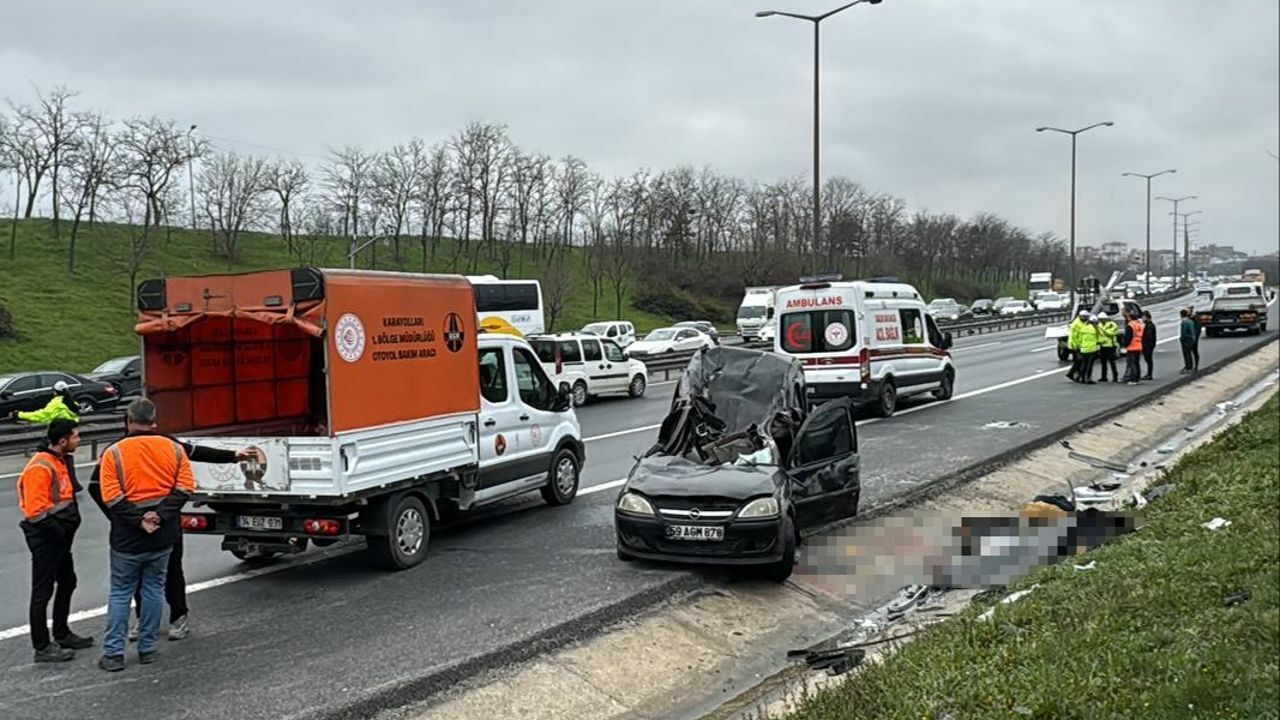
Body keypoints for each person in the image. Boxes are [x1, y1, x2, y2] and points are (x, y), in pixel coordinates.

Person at [88, 398, 251, 644]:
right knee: (172, 571)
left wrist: (121, 518)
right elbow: (193, 467)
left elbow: (94, 487)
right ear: (154, 421)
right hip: (167, 524)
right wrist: (234, 456)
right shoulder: (170, 445)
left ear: (129, 420)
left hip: (131, 525)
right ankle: (178, 618)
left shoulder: (114, 450)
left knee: (136, 578)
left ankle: (143, 623)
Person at [17, 418, 94, 663]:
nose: (78, 440)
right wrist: (60, 533)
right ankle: (42, 647)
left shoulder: (58, 460)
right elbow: (36, 513)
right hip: (47, 539)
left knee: (68, 582)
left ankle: (61, 633)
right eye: (75, 436)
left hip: (58, 539)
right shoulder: (41, 467)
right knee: (42, 592)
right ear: (62, 441)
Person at [15, 381, 79, 424]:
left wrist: (20, 414)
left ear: (55, 392)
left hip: (61, 432)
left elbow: (42, 415)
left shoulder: (57, 403)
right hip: (72, 431)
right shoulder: (72, 401)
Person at [1122, 310, 1146, 385]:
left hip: (1132, 346)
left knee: (1132, 364)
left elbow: (1128, 337)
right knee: (1136, 363)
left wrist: (1125, 345)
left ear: (1130, 318)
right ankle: (1137, 378)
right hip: (1139, 345)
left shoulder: (1130, 325)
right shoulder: (1140, 325)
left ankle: (1133, 379)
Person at [1066, 310, 1089, 382]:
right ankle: (1071, 373)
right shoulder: (1076, 324)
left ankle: (1077, 375)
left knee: (1079, 361)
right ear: (1080, 316)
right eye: (1084, 317)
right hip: (1075, 346)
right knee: (1079, 361)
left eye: (1086, 317)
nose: (1086, 318)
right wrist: (1076, 347)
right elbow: (1074, 337)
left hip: (1080, 345)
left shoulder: (1083, 322)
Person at [1097, 312, 1120, 383]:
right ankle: (1104, 377)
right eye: (1100, 319)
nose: (1101, 321)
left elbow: (1111, 333)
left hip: (1110, 346)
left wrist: (1103, 330)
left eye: (1102, 319)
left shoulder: (1111, 324)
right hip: (1102, 346)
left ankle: (1115, 376)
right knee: (1103, 362)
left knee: (1112, 362)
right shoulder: (1099, 325)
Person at [1077, 314, 1100, 384]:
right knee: (1089, 365)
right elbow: (1098, 339)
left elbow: (1079, 339)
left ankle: (1081, 378)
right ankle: (1088, 378)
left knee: (1084, 364)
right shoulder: (1095, 329)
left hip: (1083, 349)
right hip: (1092, 349)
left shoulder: (1083, 328)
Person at [1180, 308, 1201, 373]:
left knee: (1193, 352)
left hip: (1192, 339)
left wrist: (1194, 339)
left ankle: (1194, 366)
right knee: (1188, 353)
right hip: (1191, 338)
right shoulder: (1190, 319)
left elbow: (1197, 330)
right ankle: (1189, 366)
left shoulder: (1195, 319)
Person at [1141, 310, 1157, 380]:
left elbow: (1148, 336)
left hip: (1148, 346)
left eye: (1143, 317)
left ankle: (1149, 374)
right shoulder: (1148, 325)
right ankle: (1148, 374)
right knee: (1148, 360)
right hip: (1148, 345)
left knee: (1149, 360)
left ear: (1147, 317)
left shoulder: (1150, 325)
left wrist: (1147, 345)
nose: (1142, 319)